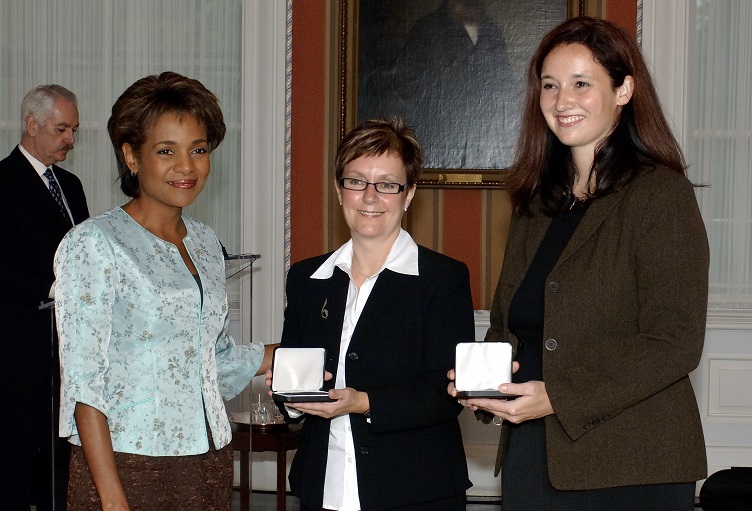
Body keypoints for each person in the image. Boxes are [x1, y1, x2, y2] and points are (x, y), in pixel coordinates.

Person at [449, 17, 709, 511]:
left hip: (632, 468)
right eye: (550, 85)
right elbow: (511, 323)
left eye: (581, 83)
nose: (561, 100)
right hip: (533, 459)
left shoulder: (661, 195)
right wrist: (483, 383)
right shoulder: (536, 204)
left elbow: (674, 342)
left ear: (625, 89)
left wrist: (558, 398)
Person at [53, 71, 275, 510]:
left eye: (198, 150)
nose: (186, 167)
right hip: (125, 465)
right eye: (166, 151)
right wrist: (112, 499)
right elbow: (83, 386)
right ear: (131, 156)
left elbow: (212, 361)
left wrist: (281, 354)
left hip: (208, 461)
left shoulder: (207, 243)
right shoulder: (93, 243)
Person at [273, 117, 474, 510]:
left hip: (415, 491)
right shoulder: (307, 279)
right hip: (323, 487)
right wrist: (292, 396)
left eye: (386, 184)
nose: (369, 197)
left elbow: (444, 394)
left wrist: (362, 401)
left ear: (409, 193)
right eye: (356, 181)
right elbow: (296, 380)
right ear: (339, 189)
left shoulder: (442, 279)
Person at [0, 84, 89, 511]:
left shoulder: (71, 185)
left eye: (73, 129)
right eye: (61, 129)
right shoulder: (2, 182)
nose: (70, 139)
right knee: (15, 456)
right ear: (31, 125)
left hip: (66, 349)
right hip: (17, 348)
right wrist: (54, 287)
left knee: (61, 456)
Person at [391, 0, 515, 168]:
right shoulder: (427, 29)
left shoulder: (491, 30)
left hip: (482, 139)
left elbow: (505, 82)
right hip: (438, 135)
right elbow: (405, 83)